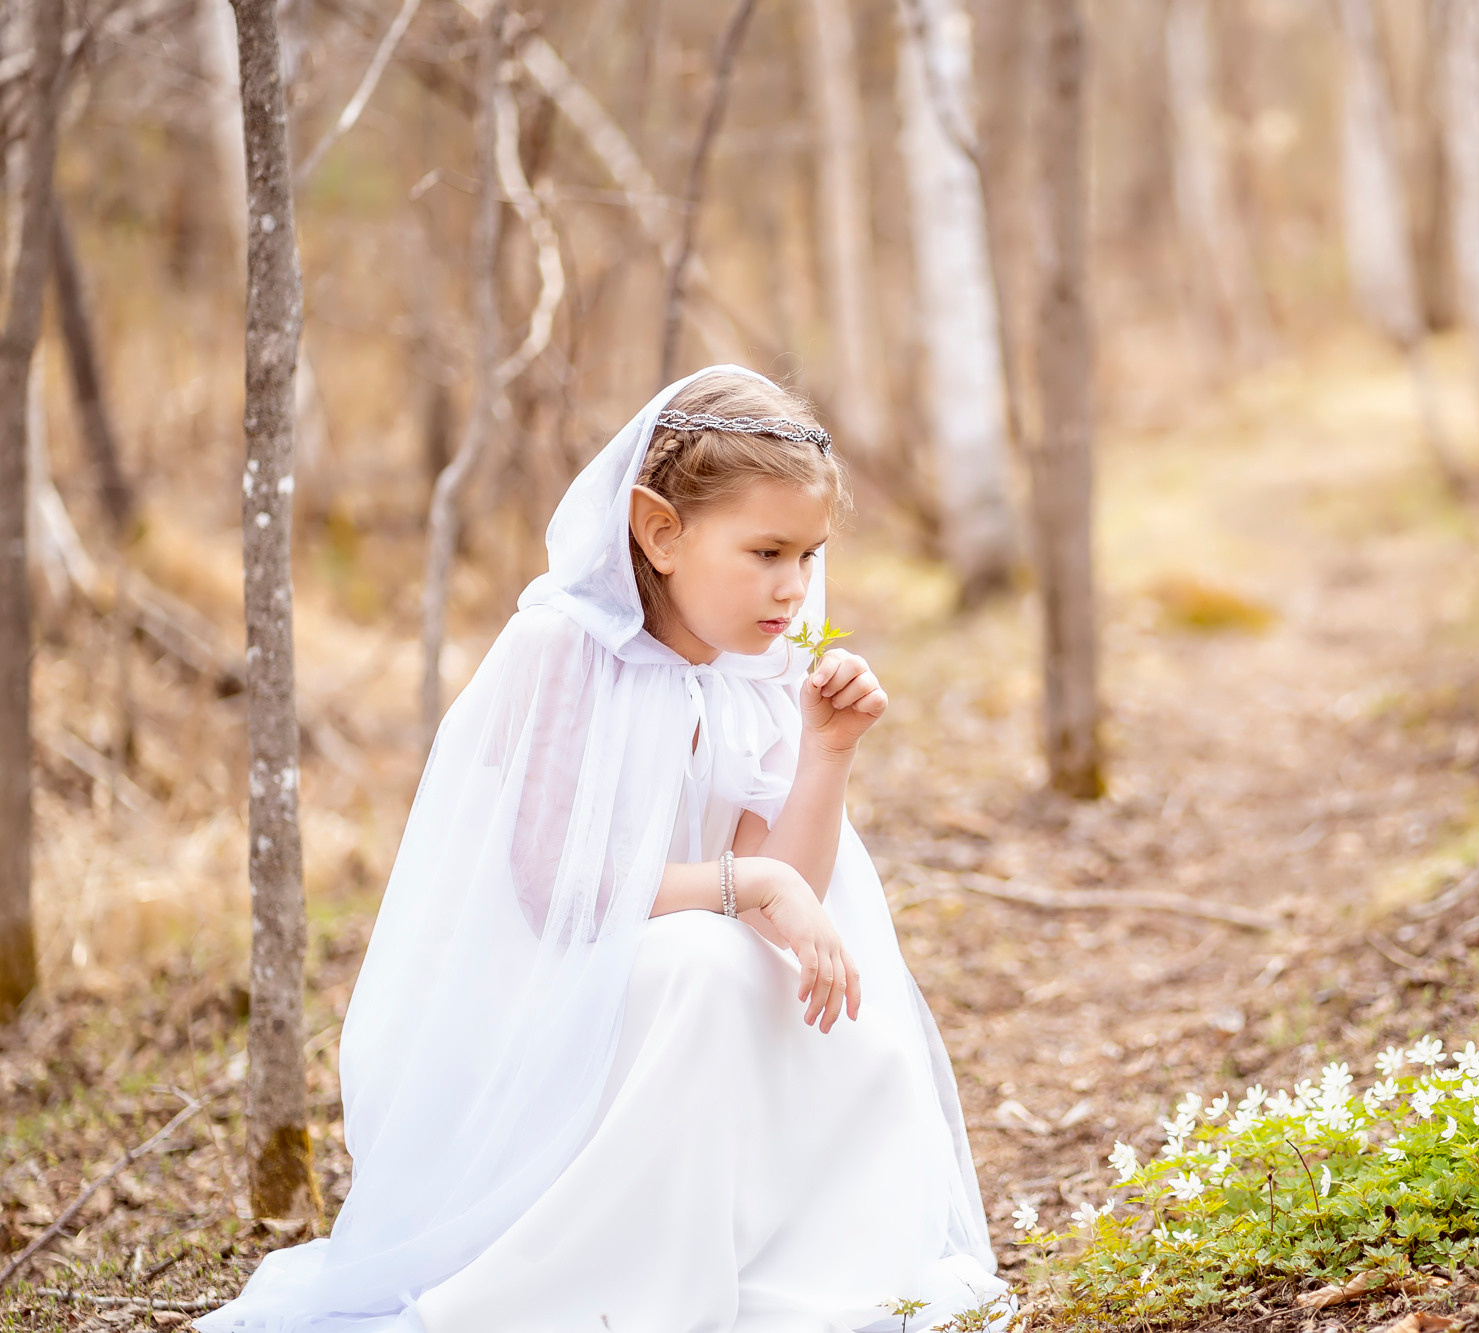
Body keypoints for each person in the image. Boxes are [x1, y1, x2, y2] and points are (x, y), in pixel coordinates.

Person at [197, 366, 1009, 1333]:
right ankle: (634, 1289)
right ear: (660, 532)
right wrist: (747, 883)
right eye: (765, 552)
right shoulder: (564, 650)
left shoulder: (756, 677)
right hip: (554, 1009)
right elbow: (555, 887)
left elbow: (787, 894)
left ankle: (773, 1254)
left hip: (681, 992)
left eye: (807, 554)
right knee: (705, 960)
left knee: (824, 1009)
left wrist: (826, 754)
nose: (794, 586)